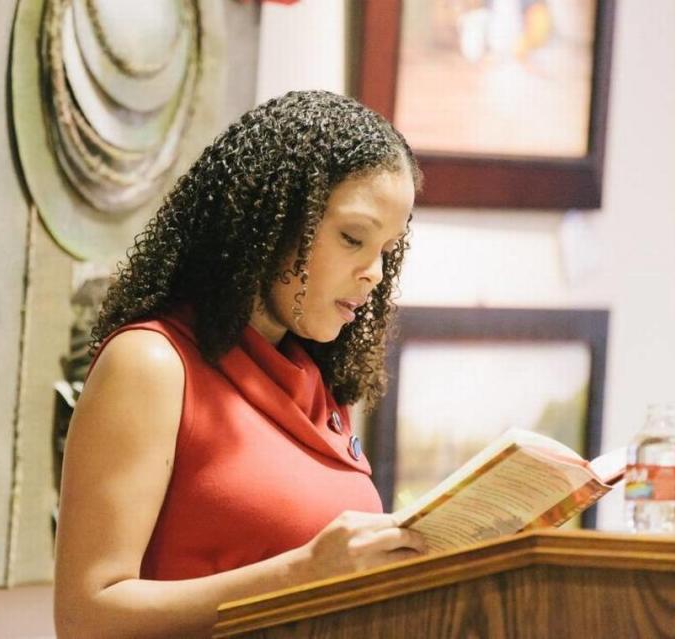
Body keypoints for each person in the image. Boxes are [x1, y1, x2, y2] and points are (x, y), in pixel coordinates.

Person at [53, 90, 427, 638]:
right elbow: (86, 616)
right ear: (271, 219)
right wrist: (303, 573)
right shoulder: (153, 364)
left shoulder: (317, 384)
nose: (373, 272)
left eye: (387, 251)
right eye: (353, 238)